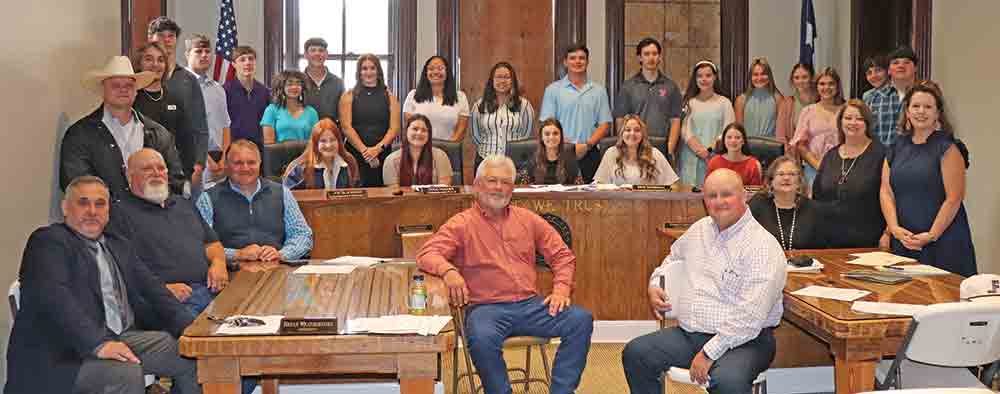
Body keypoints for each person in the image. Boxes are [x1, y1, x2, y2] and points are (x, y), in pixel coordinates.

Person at [416, 155, 594, 394]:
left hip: (531, 306)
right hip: (485, 309)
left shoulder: (528, 219)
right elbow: (426, 254)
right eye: (492, 181)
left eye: (505, 182)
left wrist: (561, 289)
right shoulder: (461, 224)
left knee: (580, 320)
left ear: (513, 187)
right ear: (477, 185)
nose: (498, 188)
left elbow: (562, 255)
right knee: (481, 337)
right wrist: (449, 271)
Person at [5, 176, 199, 394]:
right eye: (83, 203)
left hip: (119, 337)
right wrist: (99, 344)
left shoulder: (118, 244)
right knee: (124, 374)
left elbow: (154, 289)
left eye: (99, 204)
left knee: (188, 353)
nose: (92, 211)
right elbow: (56, 298)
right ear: (65, 208)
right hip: (61, 353)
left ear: (108, 211)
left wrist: (193, 330)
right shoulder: (49, 242)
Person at [622, 169, 786, 394]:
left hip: (745, 341)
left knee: (727, 382)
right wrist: (654, 285)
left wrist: (709, 353)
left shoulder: (762, 246)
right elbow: (672, 258)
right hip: (691, 334)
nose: (719, 202)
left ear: (744, 195)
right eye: (711, 195)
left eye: (726, 194)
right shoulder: (699, 230)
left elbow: (750, 317)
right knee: (636, 353)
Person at [109, 149, 228, 317]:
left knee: (256, 314)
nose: (156, 173)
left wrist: (218, 263)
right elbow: (122, 268)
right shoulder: (119, 214)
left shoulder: (183, 204)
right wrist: (160, 291)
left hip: (211, 289)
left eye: (161, 168)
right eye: (147, 169)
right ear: (130, 175)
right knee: (215, 337)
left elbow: (211, 243)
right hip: (169, 301)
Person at [880, 82, 976, 276]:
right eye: (915, 106)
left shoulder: (948, 148)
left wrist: (931, 235)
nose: (921, 112)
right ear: (907, 111)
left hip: (942, 241)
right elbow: (886, 191)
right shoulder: (897, 146)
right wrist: (894, 228)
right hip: (905, 240)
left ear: (938, 113)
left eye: (928, 107)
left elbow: (954, 198)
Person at [60, 55, 185, 199]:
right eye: (115, 85)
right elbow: (76, 185)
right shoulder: (79, 134)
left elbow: (175, 181)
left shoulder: (159, 133)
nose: (123, 90)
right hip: (105, 219)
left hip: (153, 217)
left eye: (129, 85)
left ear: (136, 90)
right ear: (103, 89)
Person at [196, 140, 314, 264]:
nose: (245, 168)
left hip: (276, 269)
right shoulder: (207, 198)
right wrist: (237, 254)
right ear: (226, 164)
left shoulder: (282, 193)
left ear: (260, 164)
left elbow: (302, 234)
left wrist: (281, 254)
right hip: (229, 273)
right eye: (238, 163)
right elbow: (200, 243)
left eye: (251, 162)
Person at [813, 100, 887, 248]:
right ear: (840, 122)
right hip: (827, 241)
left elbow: (892, 198)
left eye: (859, 119)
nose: (853, 123)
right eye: (848, 118)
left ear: (867, 123)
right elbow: (817, 196)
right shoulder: (831, 156)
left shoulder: (882, 154)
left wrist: (888, 233)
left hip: (868, 241)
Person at [148, 16, 209, 187]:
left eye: (171, 36)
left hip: (184, 165)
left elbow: (200, 126)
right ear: (150, 38)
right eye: (161, 35)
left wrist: (199, 165)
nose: (166, 40)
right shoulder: (139, 79)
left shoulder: (188, 80)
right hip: (149, 165)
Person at [540, 44, 613, 183]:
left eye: (581, 58)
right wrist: (566, 144)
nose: (577, 61)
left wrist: (587, 145)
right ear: (565, 62)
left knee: (591, 198)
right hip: (560, 152)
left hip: (590, 152)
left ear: (587, 62)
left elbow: (605, 124)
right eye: (572, 58)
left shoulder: (599, 90)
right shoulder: (553, 90)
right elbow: (546, 123)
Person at [132, 41, 197, 192]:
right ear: (139, 63)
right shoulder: (131, 99)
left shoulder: (175, 99)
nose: (155, 64)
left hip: (172, 180)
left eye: (160, 60)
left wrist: (185, 177)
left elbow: (186, 142)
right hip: (141, 180)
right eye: (149, 59)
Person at [613, 37, 682, 158]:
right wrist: (626, 148)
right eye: (646, 54)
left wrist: (670, 149)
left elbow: (675, 121)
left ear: (660, 57)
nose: (651, 58)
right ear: (639, 57)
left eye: (655, 54)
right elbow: (620, 121)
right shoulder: (628, 87)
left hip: (662, 148)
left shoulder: (671, 87)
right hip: (635, 147)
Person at [339, 54, 401, 187]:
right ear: (359, 72)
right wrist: (366, 152)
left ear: (378, 71)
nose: (368, 72)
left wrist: (377, 150)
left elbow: (394, 128)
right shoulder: (348, 96)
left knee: (381, 195)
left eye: (372, 68)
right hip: (355, 154)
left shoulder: (390, 97)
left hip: (382, 154)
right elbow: (346, 127)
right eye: (364, 68)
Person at [183, 34, 232, 189]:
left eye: (207, 51)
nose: (204, 55)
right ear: (187, 55)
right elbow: (185, 129)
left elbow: (225, 127)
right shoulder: (180, 86)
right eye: (198, 51)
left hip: (219, 163)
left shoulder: (218, 89)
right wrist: (206, 159)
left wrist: (225, 157)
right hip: (194, 161)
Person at [748, 156, 829, 250]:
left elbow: (821, 249)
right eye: (781, 174)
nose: (786, 178)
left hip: (803, 263)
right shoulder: (758, 204)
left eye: (792, 174)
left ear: (799, 181)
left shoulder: (812, 209)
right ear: (771, 181)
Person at [677, 60, 735, 186]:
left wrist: (708, 150)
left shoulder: (725, 103)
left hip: (715, 156)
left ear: (715, 77)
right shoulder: (689, 102)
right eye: (700, 76)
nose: (704, 79)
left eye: (708, 75)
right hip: (691, 157)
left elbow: (728, 131)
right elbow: (685, 131)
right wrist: (698, 149)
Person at [471, 61, 535, 167]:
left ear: (512, 81)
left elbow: (526, 135)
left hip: (514, 162)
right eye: (498, 77)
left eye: (507, 77)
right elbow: (476, 135)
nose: (502, 81)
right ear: (492, 80)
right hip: (485, 160)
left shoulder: (524, 105)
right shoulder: (480, 105)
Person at [790, 67, 846, 188]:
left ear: (837, 87)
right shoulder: (808, 111)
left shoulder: (846, 110)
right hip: (814, 169)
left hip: (842, 169)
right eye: (822, 84)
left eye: (831, 84)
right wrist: (819, 166)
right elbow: (801, 146)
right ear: (816, 87)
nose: (826, 88)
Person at [594, 115, 679, 185]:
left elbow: (673, 184)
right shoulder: (611, 153)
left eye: (637, 130)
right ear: (622, 134)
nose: (632, 133)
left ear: (642, 134)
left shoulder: (655, 154)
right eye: (627, 130)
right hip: (618, 203)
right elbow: (600, 184)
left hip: (649, 203)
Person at [403, 55, 470, 141]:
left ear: (447, 72)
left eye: (440, 68)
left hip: (449, 149)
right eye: (431, 69)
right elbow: (410, 129)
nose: (435, 72)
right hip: (419, 148)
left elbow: (461, 129)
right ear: (426, 73)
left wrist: (447, 147)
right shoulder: (413, 95)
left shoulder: (460, 97)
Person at [865, 45, 919, 146]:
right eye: (895, 63)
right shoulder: (872, 97)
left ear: (915, 67)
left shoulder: (926, 94)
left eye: (906, 62)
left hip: (914, 157)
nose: (901, 66)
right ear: (888, 70)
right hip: (879, 158)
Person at [283, 119, 360, 190]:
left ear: (339, 141)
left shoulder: (349, 161)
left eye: (332, 140)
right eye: (323, 141)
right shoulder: (301, 167)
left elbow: (357, 194)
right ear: (315, 144)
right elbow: (287, 198)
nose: (328, 145)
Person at [383, 114, 454, 187]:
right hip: (403, 198)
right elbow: (393, 193)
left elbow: (444, 190)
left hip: (434, 198)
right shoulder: (391, 160)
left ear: (429, 135)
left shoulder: (440, 156)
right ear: (406, 131)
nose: (419, 133)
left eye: (424, 130)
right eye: (415, 129)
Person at [223, 46, 269, 150]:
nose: (247, 63)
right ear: (233, 64)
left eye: (251, 59)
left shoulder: (265, 92)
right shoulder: (224, 91)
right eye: (242, 59)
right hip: (233, 148)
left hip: (258, 149)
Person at [262, 70, 320, 144]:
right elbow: (268, 144)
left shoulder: (312, 112)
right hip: (279, 155)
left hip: (306, 155)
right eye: (289, 84)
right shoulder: (271, 110)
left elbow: (315, 142)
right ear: (281, 87)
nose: (294, 87)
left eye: (298, 83)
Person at [520, 118, 580, 185]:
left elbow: (580, 187)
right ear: (542, 137)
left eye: (555, 133)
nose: (551, 137)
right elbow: (522, 186)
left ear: (561, 136)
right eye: (547, 134)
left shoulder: (570, 159)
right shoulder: (533, 160)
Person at [735, 57, 783, 138]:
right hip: (748, 146)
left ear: (769, 76)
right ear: (750, 77)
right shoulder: (741, 100)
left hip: (771, 146)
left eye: (763, 74)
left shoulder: (778, 99)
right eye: (755, 74)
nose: (759, 78)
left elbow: (781, 131)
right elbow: (739, 132)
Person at [301, 37, 345, 123]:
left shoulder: (338, 83)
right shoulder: (298, 82)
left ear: (326, 54)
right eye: (313, 50)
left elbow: (343, 116)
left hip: (331, 134)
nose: (317, 54)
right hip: (303, 134)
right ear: (305, 55)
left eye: (321, 50)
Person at [776, 63, 817, 147]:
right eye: (796, 78)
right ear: (792, 80)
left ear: (812, 78)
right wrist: (788, 155)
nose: (800, 81)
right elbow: (780, 136)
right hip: (794, 155)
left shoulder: (820, 101)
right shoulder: (786, 103)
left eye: (804, 77)